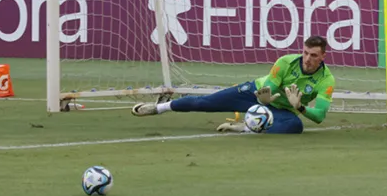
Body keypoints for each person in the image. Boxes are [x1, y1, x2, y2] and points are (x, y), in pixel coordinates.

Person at [131, 35, 335, 134]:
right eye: (306, 53)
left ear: (323, 56)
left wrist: (299, 106)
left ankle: (245, 127)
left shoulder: (327, 80)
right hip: (254, 92)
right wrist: (264, 96)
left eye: (314, 55)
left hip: (282, 109)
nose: (308, 59)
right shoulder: (285, 62)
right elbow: (271, 87)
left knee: (295, 126)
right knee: (206, 103)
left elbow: (319, 116)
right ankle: (158, 108)